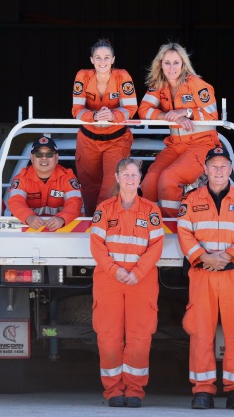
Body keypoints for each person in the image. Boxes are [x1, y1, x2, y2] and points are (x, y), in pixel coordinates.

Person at [177, 147, 234, 411]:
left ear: (231, 169)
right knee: (201, 333)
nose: (219, 170)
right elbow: (184, 232)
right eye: (214, 166)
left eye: (224, 166)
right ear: (206, 169)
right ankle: (202, 390)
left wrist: (228, 256)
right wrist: (203, 257)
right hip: (202, 274)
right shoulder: (190, 200)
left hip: (233, 274)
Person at [89, 157, 164, 408]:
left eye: (135, 175)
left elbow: (156, 246)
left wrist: (138, 273)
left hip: (140, 281)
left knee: (140, 337)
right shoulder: (104, 209)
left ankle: (134, 390)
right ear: (117, 178)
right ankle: (113, 391)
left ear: (140, 179)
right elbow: (97, 246)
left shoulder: (151, 211)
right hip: (110, 280)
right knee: (108, 336)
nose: (130, 179)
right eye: (126, 174)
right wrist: (114, 270)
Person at [137, 42, 220, 219]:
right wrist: (170, 116)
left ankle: (173, 225)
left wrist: (186, 112)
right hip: (175, 146)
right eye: (167, 63)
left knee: (169, 178)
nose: (172, 67)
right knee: (150, 180)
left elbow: (213, 115)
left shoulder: (196, 84)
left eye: (176, 62)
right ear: (160, 64)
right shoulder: (158, 85)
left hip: (201, 145)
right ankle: (149, 224)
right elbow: (144, 110)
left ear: (183, 64)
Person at [71, 39, 138, 216]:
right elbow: (76, 110)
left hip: (116, 140)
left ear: (113, 59)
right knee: (89, 187)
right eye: (98, 58)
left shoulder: (123, 76)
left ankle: (103, 223)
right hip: (88, 140)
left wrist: (113, 116)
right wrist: (93, 116)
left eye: (106, 57)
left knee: (111, 185)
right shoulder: (82, 76)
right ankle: (91, 225)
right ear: (92, 60)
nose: (102, 62)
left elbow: (131, 108)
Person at [6, 136, 83, 230]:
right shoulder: (22, 178)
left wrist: (62, 218)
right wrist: (28, 217)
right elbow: (15, 202)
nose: (44, 158)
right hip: (27, 232)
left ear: (57, 157)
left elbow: (75, 203)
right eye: (39, 154)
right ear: (32, 157)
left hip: (63, 232)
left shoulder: (68, 178)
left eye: (49, 154)